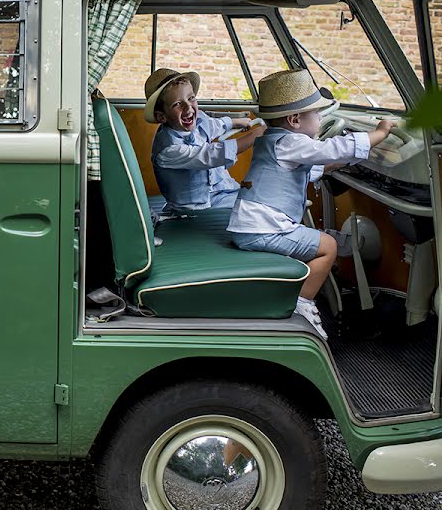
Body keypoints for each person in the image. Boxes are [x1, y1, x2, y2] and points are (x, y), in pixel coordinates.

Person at [227, 69, 394, 339]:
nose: (319, 119)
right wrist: (378, 135)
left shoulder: (272, 140)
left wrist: (339, 164)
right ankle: (302, 305)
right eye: (316, 114)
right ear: (294, 119)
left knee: (321, 238)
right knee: (326, 247)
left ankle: (334, 247)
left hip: (249, 225)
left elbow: (311, 168)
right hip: (262, 228)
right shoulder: (291, 141)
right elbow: (331, 149)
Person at [145, 68, 264, 215]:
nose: (188, 107)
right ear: (162, 117)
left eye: (191, 98)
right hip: (197, 207)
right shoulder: (169, 150)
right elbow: (210, 155)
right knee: (256, 208)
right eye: (177, 104)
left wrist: (234, 122)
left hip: (220, 192)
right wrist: (255, 135)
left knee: (259, 197)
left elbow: (214, 125)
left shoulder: (197, 121)